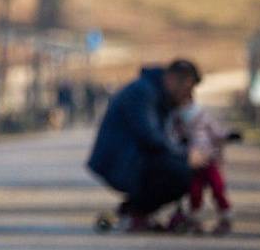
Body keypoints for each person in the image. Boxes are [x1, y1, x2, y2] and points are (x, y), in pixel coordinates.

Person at [87, 61, 204, 232]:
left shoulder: (156, 93)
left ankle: (133, 211)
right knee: (181, 172)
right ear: (172, 79)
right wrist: (185, 155)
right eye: (187, 88)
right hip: (120, 161)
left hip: (131, 159)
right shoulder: (143, 92)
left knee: (181, 167)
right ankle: (136, 213)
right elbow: (150, 136)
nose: (188, 95)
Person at [172, 97, 233, 233]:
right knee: (195, 191)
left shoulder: (203, 116)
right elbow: (172, 138)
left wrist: (228, 135)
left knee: (217, 187)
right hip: (192, 162)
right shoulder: (177, 120)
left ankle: (225, 215)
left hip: (209, 160)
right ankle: (194, 219)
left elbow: (217, 132)